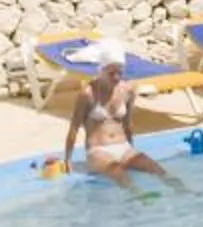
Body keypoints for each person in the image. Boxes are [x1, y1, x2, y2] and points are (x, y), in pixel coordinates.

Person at [60, 62, 180, 192]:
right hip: (99, 150)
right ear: (101, 72)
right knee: (119, 173)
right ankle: (141, 197)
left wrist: (132, 150)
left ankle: (184, 190)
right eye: (111, 74)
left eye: (119, 73)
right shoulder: (88, 94)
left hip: (124, 148)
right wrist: (67, 159)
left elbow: (128, 124)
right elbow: (74, 127)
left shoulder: (127, 90)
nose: (116, 77)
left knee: (155, 168)